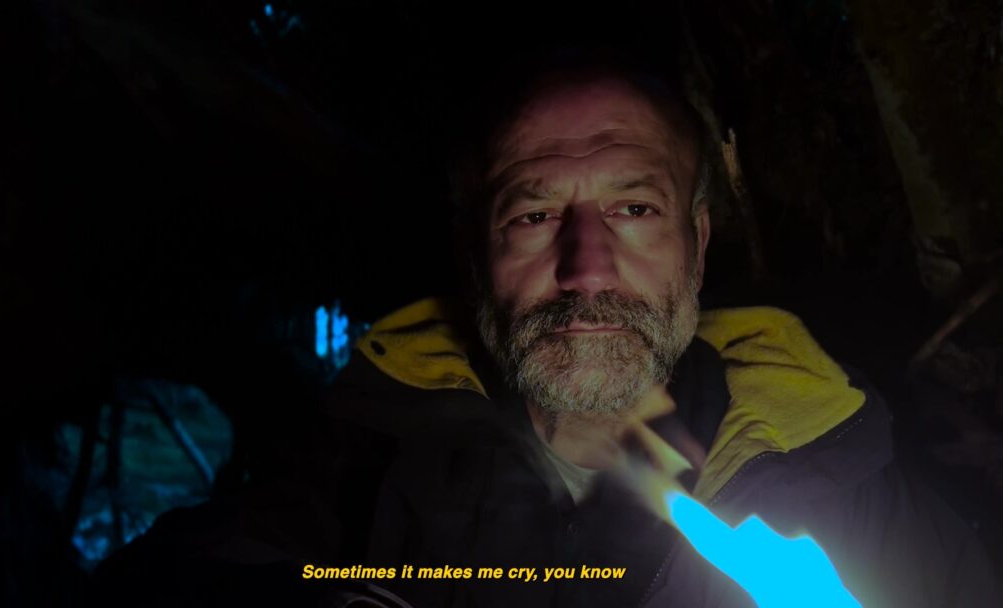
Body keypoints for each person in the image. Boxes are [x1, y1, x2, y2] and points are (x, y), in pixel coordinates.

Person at [324, 51, 1001, 607]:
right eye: (533, 217)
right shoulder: (356, 466)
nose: (588, 271)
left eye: (635, 209)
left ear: (697, 245)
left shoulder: (847, 496)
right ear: (476, 260)